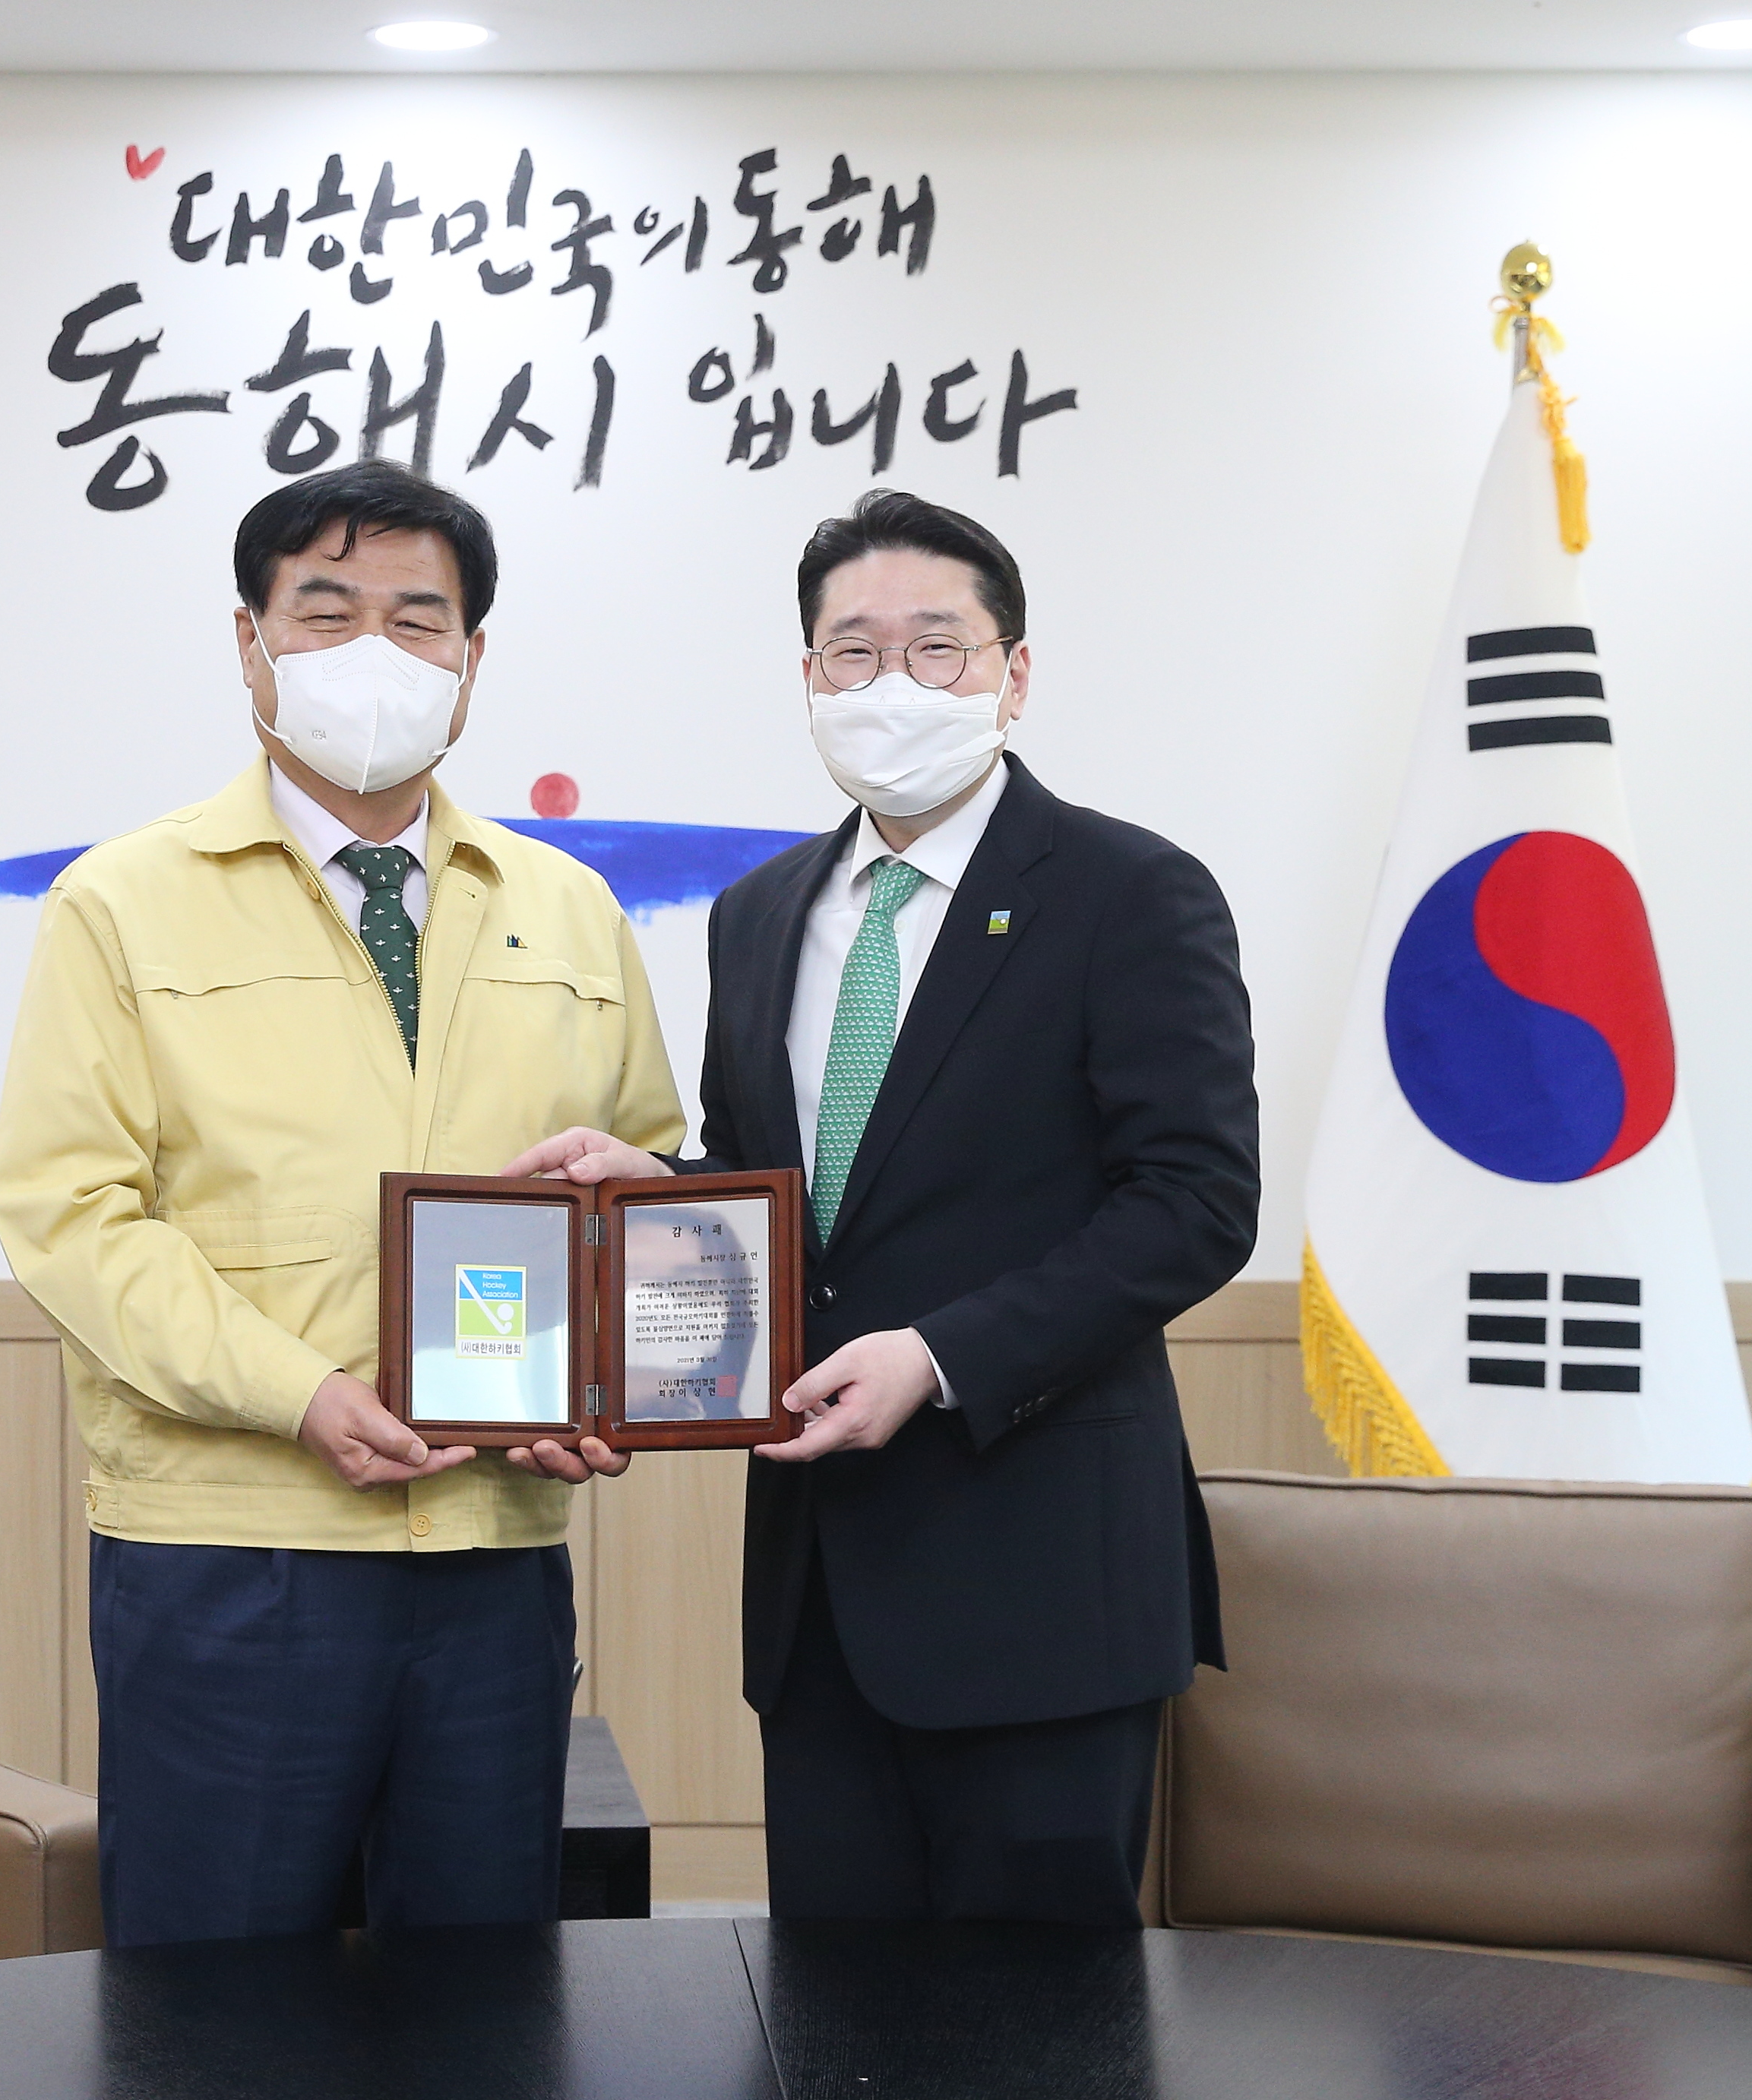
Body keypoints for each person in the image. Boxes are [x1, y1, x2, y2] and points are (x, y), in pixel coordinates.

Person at [506, 488, 1258, 1927]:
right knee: (829, 2014)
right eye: (853, 652)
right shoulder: (761, 912)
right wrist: (658, 1198)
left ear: (1012, 674)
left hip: (1042, 1582)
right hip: (820, 1592)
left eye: (936, 646)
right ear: (809, 679)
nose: (891, 683)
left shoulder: (1128, 891)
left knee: (1043, 2026)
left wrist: (940, 1355)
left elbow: (1194, 1203)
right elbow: (784, 1201)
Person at [0, 460, 683, 1947]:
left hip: (494, 1547)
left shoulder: (568, 907)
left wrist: (607, 1382)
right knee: (218, 1999)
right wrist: (299, 1393)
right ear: (250, 644)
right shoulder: (122, 901)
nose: (374, 651)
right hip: (233, 1547)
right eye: (325, 610)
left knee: (479, 1996)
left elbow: (642, 1176)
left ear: (471, 660)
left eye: (417, 619)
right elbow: (72, 1213)